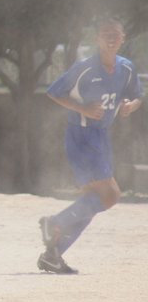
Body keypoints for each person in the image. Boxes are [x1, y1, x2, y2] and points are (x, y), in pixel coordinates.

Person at [39, 17, 143, 274]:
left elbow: (137, 96)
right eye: (106, 33)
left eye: (116, 34)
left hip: (101, 136)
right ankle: (55, 222)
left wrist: (130, 106)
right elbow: (54, 92)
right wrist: (82, 108)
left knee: (92, 202)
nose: (111, 38)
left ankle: (53, 254)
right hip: (82, 136)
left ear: (123, 38)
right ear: (97, 39)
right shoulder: (85, 67)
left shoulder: (126, 68)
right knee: (111, 195)